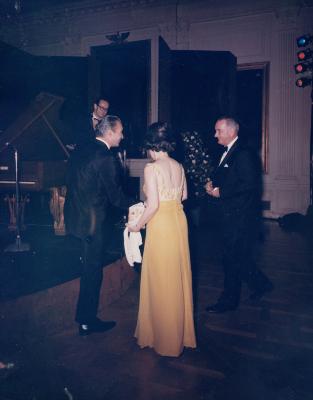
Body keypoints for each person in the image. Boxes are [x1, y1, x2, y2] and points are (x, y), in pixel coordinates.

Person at [127, 122, 196, 357]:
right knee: (175, 275)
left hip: (162, 224)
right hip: (178, 220)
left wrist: (137, 223)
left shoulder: (152, 168)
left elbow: (154, 205)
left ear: (150, 145)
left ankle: (164, 339)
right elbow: (183, 196)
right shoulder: (179, 165)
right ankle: (179, 335)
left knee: (160, 277)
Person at [64, 115, 134, 336]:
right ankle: (86, 321)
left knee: (88, 269)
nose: (122, 136)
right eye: (120, 131)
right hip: (92, 224)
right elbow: (116, 198)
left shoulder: (80, 150)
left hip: (76, 218)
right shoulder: (105, 157)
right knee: (93, 272)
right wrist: (141, 203)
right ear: (110, 132)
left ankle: (84, 317)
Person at [205, 117, 273, 313]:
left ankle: (229, 301)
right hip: (230, 215)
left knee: (231, 258)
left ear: (231, 132)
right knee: (238, 256)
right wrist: (212, 183)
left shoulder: (243, 153)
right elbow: (228, 177)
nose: (215, 134)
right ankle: (262, 284)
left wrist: (221, 192)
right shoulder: (229, 151)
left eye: (218, 131)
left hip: (240, 217)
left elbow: (249, 185)